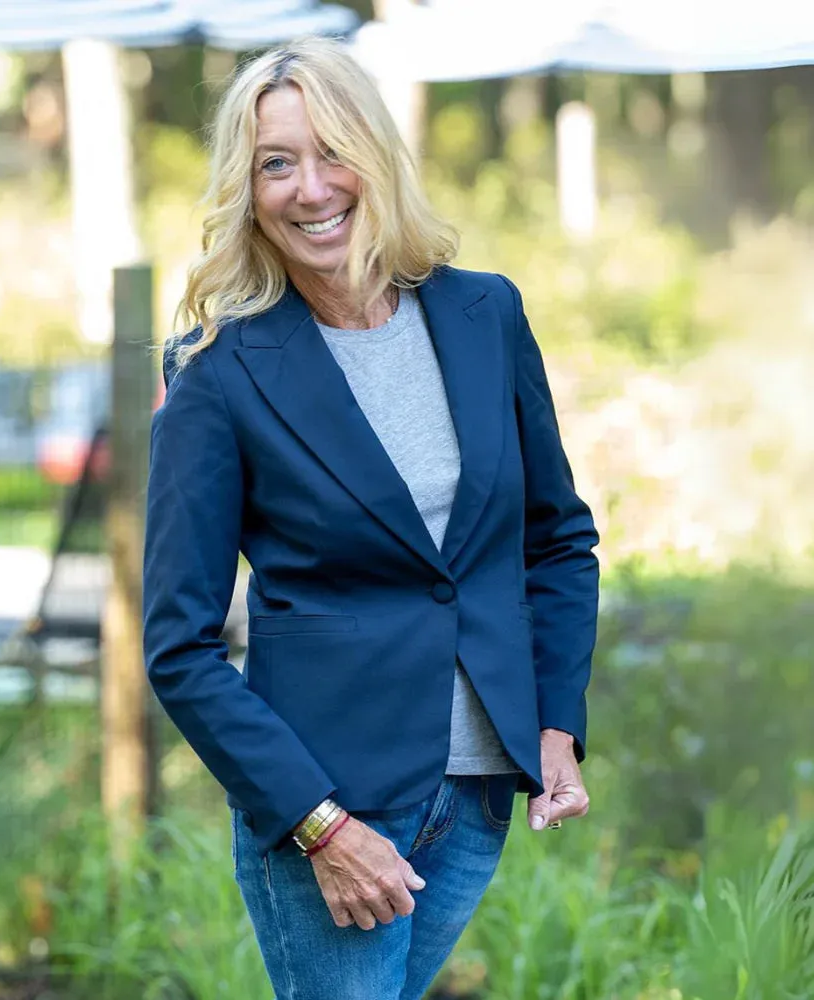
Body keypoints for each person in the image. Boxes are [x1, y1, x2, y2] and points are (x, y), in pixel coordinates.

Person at [143, 37, 599, 1000]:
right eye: (276, 162)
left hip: (476, 793)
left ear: (380, 157)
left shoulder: (486, 315)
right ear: (246, 186)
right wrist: (320, 825)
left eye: (332, 150)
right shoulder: (217, 375)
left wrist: (555, 721)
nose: (310, 188)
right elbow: (178, 648)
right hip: (328, 810)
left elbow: (556, 538)